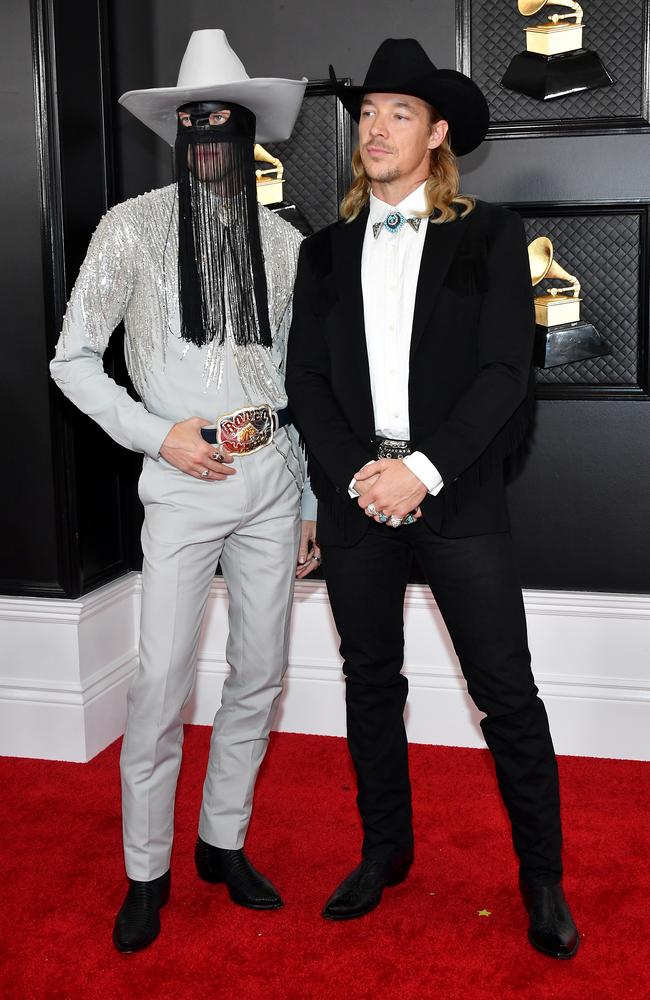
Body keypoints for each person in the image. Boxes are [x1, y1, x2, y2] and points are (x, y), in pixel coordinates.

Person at [286, 37, 578, 959]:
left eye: (399, 113)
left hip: (457, 496)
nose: (376, 128)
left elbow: (505, 374)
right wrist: (358, 478)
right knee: (371, 683)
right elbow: (306, 383)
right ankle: (384, 853)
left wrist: (424, 470)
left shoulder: (493, 232)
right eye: (368, 113)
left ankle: (542, 879)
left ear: (438, 132)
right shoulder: (322, 251)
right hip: (357, 498)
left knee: (506, 693)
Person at [50, 29, 320, 953]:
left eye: (227, 119)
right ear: (176, 130)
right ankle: (145, 867)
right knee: (161, 680)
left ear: (251, 133)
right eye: (193, 118)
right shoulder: (128, 226)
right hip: (177, 479)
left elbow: (302, 382)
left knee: (261, 675)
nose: (209, 131)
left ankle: (223, 841)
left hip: (273, 480)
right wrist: (155, 433)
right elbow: (72, 360)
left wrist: (313, 498)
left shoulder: (285, 242)